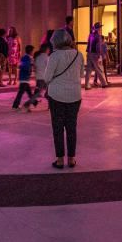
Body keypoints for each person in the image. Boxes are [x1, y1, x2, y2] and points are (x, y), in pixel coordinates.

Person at [39, 28, 83, 168]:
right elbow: (81, 73)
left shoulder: (54, 56)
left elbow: (46, 78)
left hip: (56, 95)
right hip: (75, 95)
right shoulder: (78, 55)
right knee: (72, 127)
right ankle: (71, 158)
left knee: (57, 128)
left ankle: (59, 160)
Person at [84, 22, 108, 89]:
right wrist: (99, 54)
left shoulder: (90, 35)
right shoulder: (98, 36)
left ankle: (87, 85)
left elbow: (89, 44)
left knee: (88, 70)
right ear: (99, 28)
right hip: (95, 54)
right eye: (100, 27)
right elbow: (98, 46)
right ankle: (104, 83)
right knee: (99, 68)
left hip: (89, 53)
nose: (101, 29)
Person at [12, 43, 36, 110]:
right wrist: (30, 68)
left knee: (28, 92)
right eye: (32, 51)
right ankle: (15, 105)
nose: (33, 52)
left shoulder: (25, 57)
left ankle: (35, 102)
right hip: (24, 78)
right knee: (21, 92)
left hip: (24, 78)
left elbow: (22, 65)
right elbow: (25, 67)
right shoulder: (27, 58)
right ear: (31, 51)